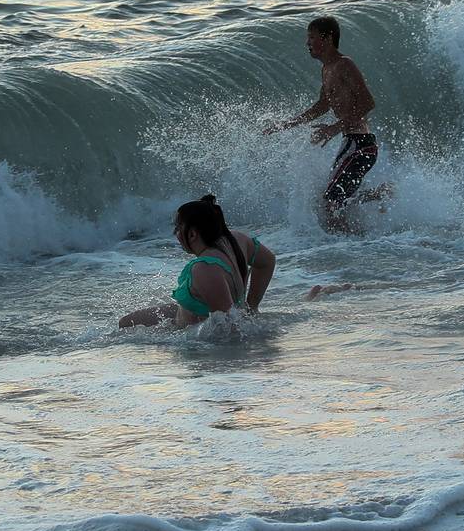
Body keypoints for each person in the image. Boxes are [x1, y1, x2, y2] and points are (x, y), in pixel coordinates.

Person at [264, 16, 380, 231]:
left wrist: (334, 128)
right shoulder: (327, 69)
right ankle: (383, 195)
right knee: (337, 199)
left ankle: (347, 246)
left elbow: (368, 101)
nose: (307, 43)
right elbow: (322, 105)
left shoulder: (344, 64)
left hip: (360, 144)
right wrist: (287, 124)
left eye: (311, 37)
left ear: (327, 38)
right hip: (352, 144)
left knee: (330, 202)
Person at [119, 196, 277, 329]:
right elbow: (267, 262)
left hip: (186, 329)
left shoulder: (205, 268)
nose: (177, 234)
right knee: (125, 323)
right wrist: (251, 306)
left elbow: (229, 324)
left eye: (179, 228)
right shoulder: (237, 239)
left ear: (193, 233)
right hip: (180, 314)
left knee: (127, 330)